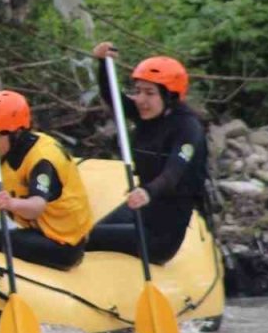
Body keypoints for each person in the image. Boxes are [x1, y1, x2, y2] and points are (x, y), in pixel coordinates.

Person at [0, 64, 92, 269]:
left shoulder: (42, 160)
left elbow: (36, 207)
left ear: (15, 132)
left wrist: (11, 204)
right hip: (36, 231)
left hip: (61, 245)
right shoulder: (2, 142)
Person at [87, 42, 208, 264]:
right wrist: (103, 64)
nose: (141, 100)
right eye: (138, 91)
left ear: (170, 96)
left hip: (162, 235)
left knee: (91, 238)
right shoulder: (148, 113)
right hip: (142, 211)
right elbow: (113, 98)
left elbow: (173, 174)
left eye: (149, 93)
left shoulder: (188, 128)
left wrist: (147, 192)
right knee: (92, 233)